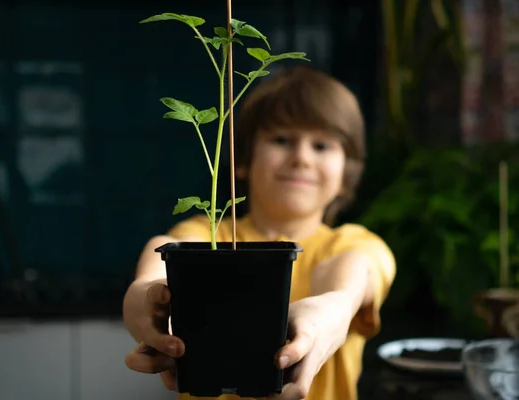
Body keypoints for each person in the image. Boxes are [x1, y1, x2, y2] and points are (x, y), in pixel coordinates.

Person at [122, 65, 396, 400]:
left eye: (322, 146)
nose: (301, 158)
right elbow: (168, 249)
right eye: (281, 140)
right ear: (243, 159)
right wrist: (146, 291)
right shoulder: (210, 235)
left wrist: (335, 306)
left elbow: (355, 269)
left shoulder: (353, 244)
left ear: (345, 173)